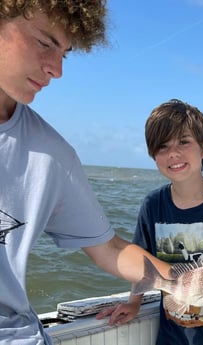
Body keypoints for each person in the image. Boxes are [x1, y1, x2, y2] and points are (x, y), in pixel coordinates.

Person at [0, 2, 173, 344]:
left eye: (66, 52)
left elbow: (108, 248)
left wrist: (198, 284)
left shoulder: (53, 154)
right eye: (45, 43)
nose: (57, 69)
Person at [96, 99, 203, 345]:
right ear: (153, 155)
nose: (173, 153)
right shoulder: (153, 205)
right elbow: (139, 262)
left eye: (184, 142)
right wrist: (134, 302)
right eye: (163, 146)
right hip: (173, 337)